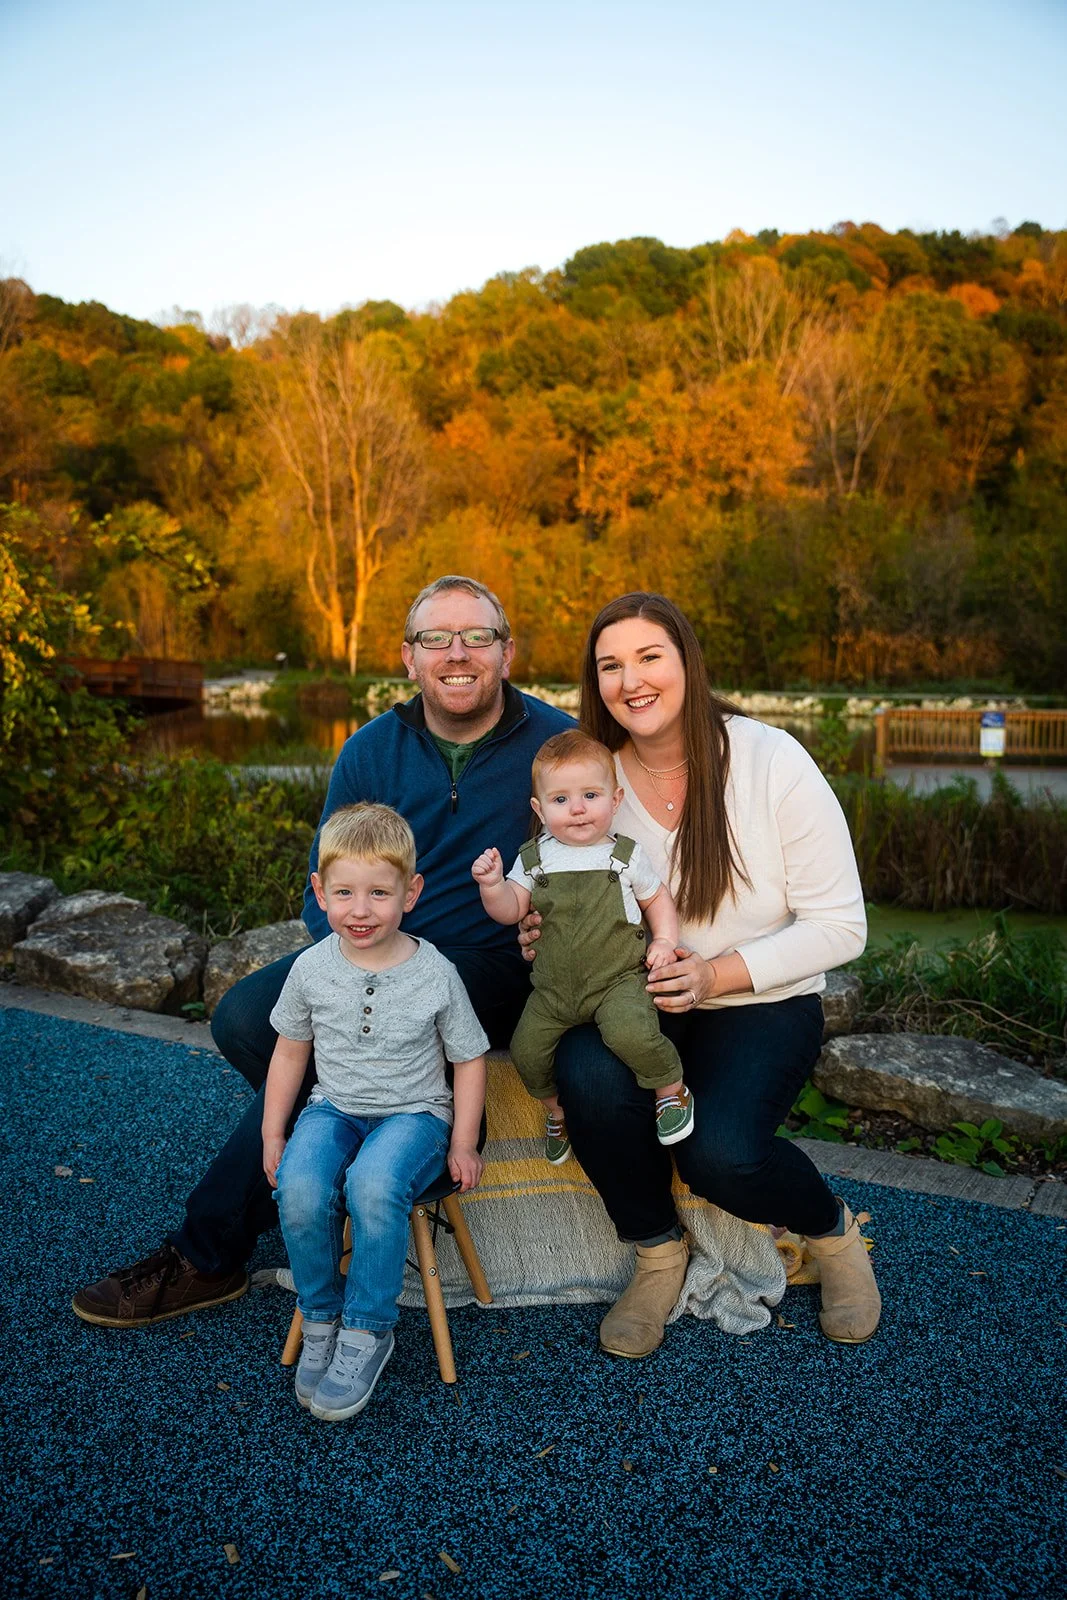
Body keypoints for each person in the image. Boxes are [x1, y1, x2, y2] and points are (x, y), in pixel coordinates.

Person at [72, 576, 572, 1328]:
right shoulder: (371, 750)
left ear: (507, 652)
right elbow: (324, 893)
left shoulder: (553, 743)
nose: (457, 653)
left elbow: (600, 857)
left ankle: (207, 1252)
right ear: (408, 658)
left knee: (356, 1033)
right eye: (436, 638)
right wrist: (357, 963)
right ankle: (363, 1135)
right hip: (377, 949)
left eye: (477, 637)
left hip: (488, 964)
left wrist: (551, 925)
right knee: (244, 1015)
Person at [524, 592, 880, 1359]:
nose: (631, 679)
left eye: (649, 656)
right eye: (610, 664)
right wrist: (539, 927)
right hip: (637, 995)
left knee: (720, 1154)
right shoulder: (591, 780)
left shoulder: (768, 759)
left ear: (685, 661)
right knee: (582, 1072)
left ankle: (832, 1235)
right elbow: (558, 893)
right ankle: (657, 1251)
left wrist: (715, 974)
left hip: (759, 999)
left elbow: (842, 925)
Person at [264, 802, 487, 1420]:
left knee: (373, 1183)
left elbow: (469, 1059)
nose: (360, 911)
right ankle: (321, 1314)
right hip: (334, 1108)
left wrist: (463, 1142)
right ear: (319, 891)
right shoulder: (311, 969)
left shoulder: (435, 973)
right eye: (344, 893)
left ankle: (368, 1330)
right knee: (301, 1186)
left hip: (414, 1114)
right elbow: (289, 1054)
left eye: (379, 894)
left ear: (410, 893)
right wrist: (271, 1132)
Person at [472, 729, 692, 1164]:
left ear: (615, 800)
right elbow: (511, 909)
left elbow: (656, 898)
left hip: (617, 981)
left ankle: (671, 1089)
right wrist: (493, 885)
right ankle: (558, 1112)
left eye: (590, 795)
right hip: (553, 990)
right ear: (539, 808)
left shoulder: (624, 856)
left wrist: (665, 939)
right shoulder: (535, 857)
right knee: (527, 1051)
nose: (576, 809)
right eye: (560, 800)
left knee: (632, 1032)